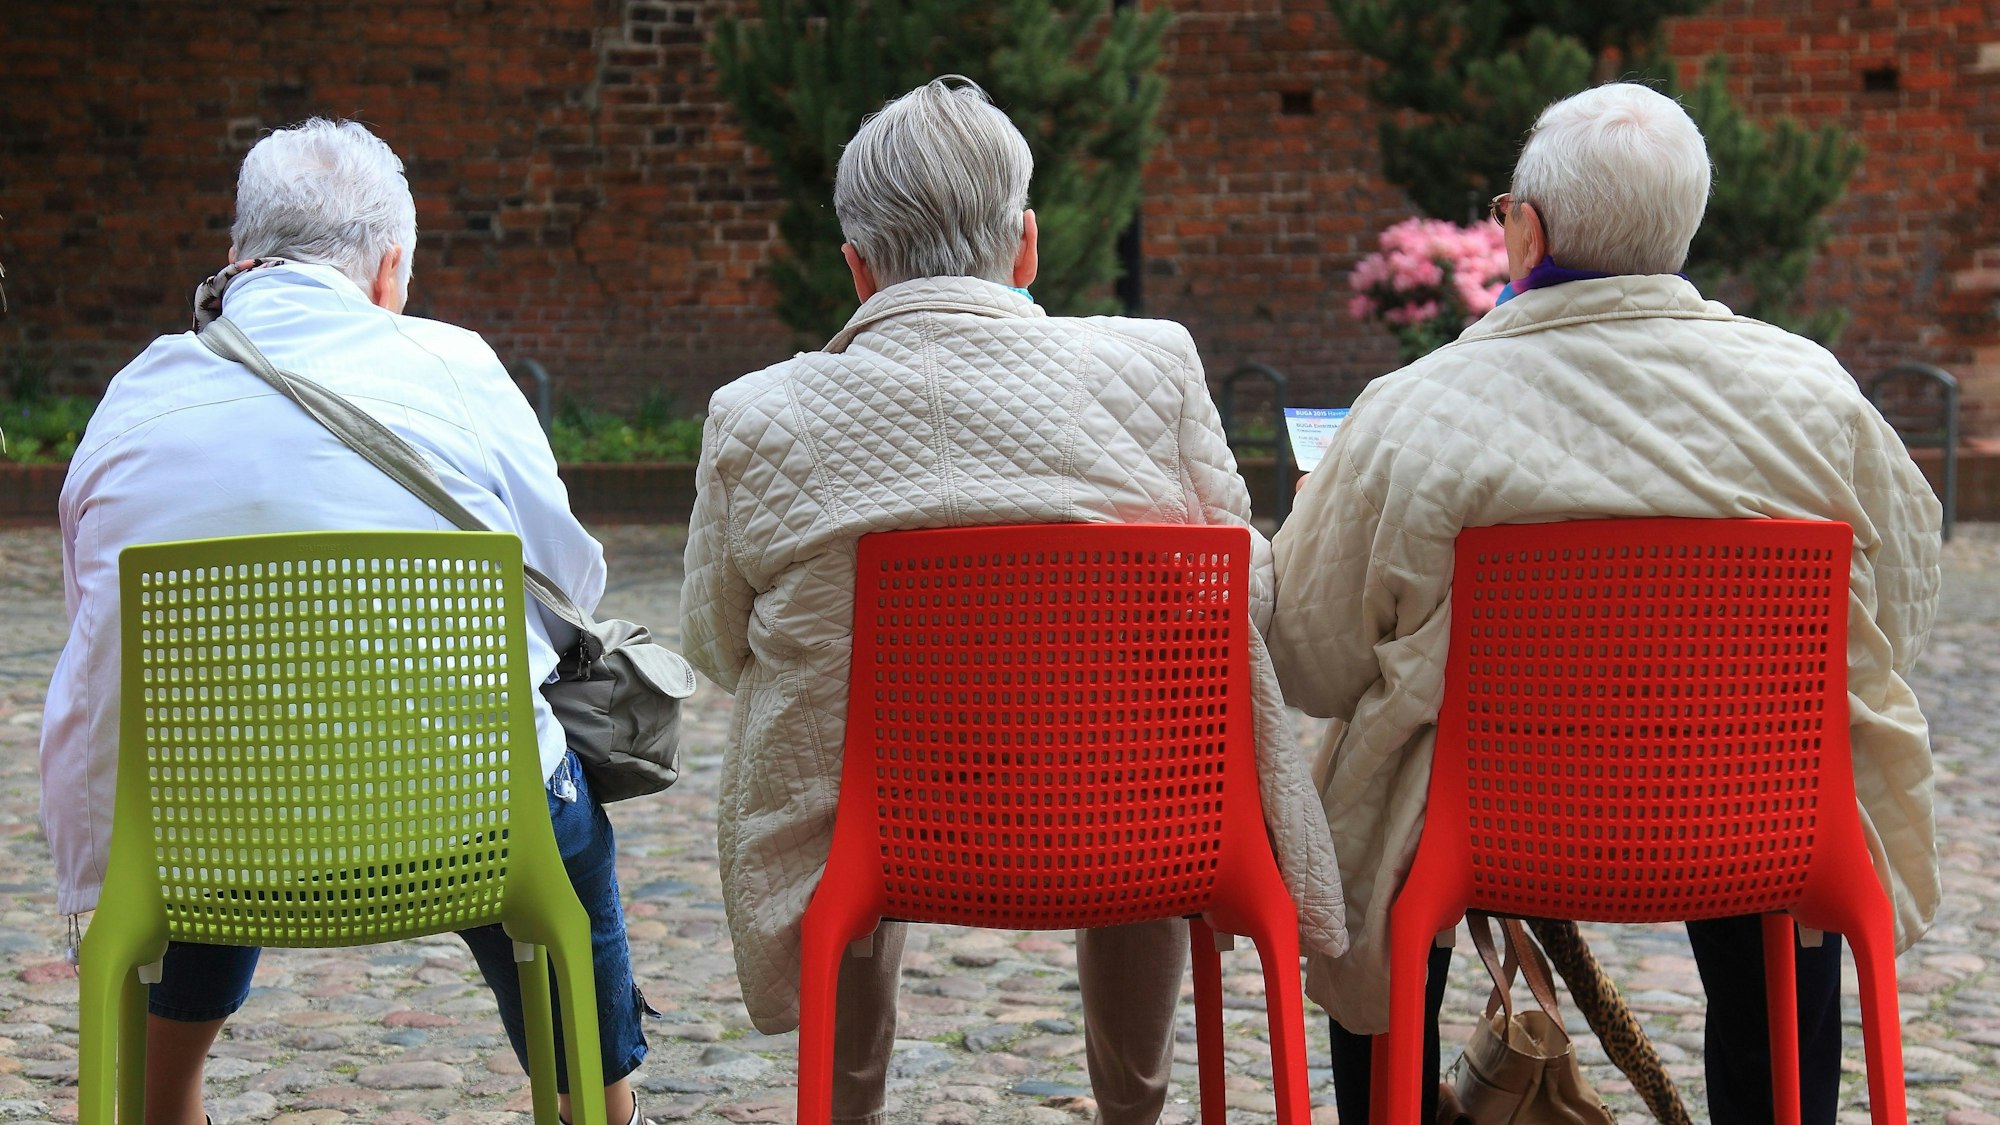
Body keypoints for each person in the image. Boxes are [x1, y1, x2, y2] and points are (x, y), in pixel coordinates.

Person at [1269, 82, 1941, 1125]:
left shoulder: (1411, 412)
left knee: (1377, 803)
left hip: (1482, 824)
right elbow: (1894, 613)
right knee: (1775, 808)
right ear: (1684, 226)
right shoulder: (1815, 398)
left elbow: (1310, 662)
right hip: (1754, 814)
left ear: (1523, 229)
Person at [682, 76, 1347, 1125]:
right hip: (1134, 815)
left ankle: (846, 1106)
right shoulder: (1152, 363)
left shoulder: (758, 414)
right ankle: (1135, 1107)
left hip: (879, 830)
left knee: (834, 739)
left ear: (855, 268)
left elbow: (716, 643)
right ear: (1026, 245)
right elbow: (1242, 593)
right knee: (1146, 735)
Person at [39, 119, 650, 1125]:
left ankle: (165, 1100)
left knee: (196, 775)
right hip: (467, 826)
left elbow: (94, 626)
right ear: (387, 270)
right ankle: (600, 1104)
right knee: (561, 821)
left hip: (201, 842)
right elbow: (567, 576)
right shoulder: (455, 364)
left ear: (238, 259)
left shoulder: (136, 396)